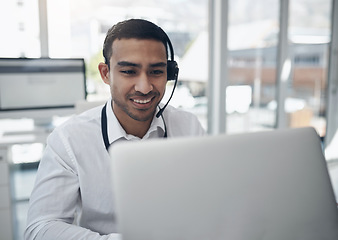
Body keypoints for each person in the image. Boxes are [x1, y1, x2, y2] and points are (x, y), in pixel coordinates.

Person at [24, 19, 205, 240]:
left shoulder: (189, 127)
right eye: (129, 71)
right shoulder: (69, 140)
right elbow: (40, 228)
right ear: (105, 74)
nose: (144, 87)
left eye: (156, 72)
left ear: (169, 74)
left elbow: (209, 202)